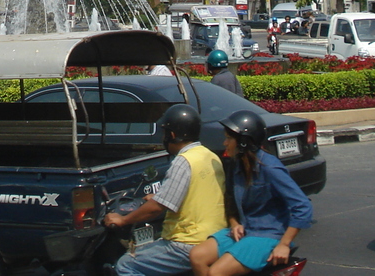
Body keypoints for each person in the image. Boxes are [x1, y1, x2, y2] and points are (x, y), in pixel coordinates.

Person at [102, 104, 226, 276]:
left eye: (165, 133)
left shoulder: (183, 161)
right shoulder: (209, 156)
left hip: (187, 242)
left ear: (172, 135)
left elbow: (156, 208)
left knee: (126, 264)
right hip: (216, 239)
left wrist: (123, 220)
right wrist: (159, 196)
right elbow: (197, 191)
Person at [191, 111, 313, 276]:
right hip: (247, 230)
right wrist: (235, 224)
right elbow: (231, 203)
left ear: (243, 143)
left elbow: (303, 206)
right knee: (197, 256)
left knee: (216, 273)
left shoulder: (270, 168)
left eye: (229, 138)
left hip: (268, 235)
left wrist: (284, 244)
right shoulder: (237, 165)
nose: (225, 143)